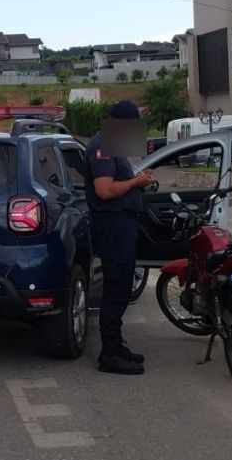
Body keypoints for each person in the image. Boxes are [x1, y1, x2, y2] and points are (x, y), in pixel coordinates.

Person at [83, 101, 154, 375]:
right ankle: (109, 354)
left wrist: (139, 180)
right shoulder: (102, 147)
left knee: (122, 288)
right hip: (112, 225)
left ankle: (117, 345)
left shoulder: (112, 143)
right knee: (115, 291)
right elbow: (105, 190)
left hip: (121, 225)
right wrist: (136, 183)